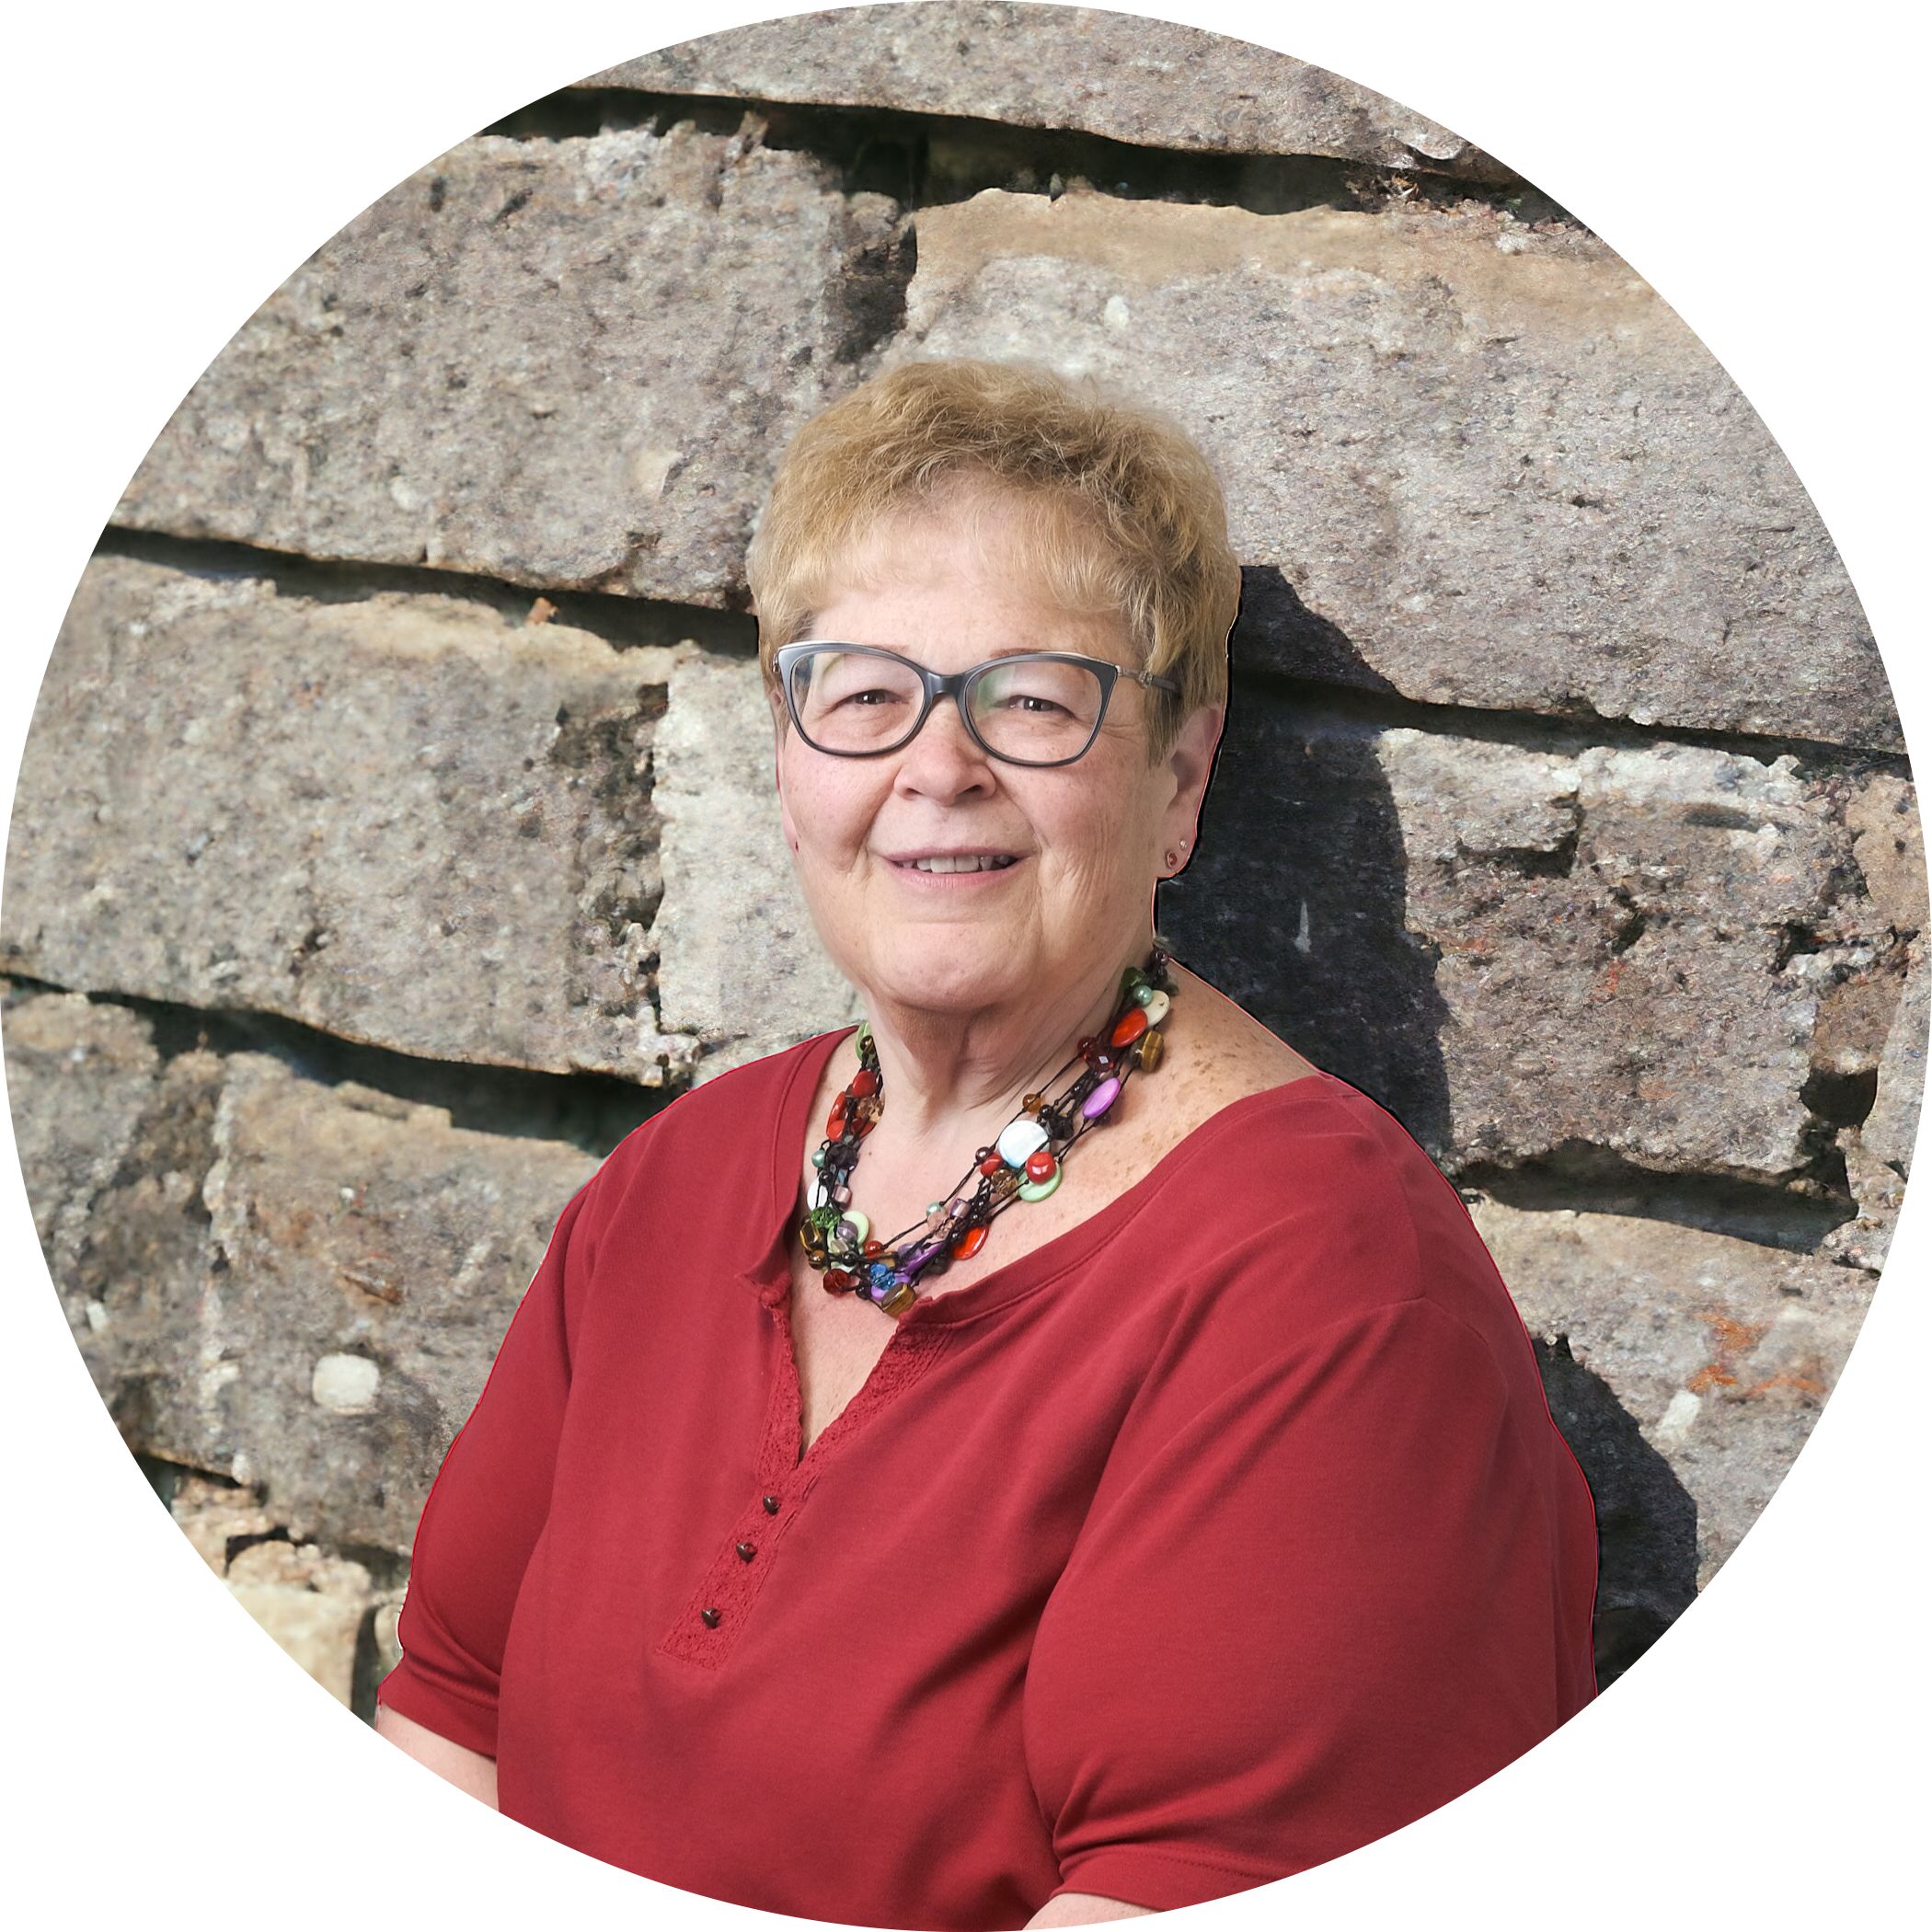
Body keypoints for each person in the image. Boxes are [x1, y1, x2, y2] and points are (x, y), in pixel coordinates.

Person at [374, 358, 1600, 1929]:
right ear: (789, 751)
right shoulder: (674, 1186)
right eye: (865, 693)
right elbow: (453, 1715)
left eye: (1030, 698)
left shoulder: (1332, 1293)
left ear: (1178, 776)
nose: (934, 768)